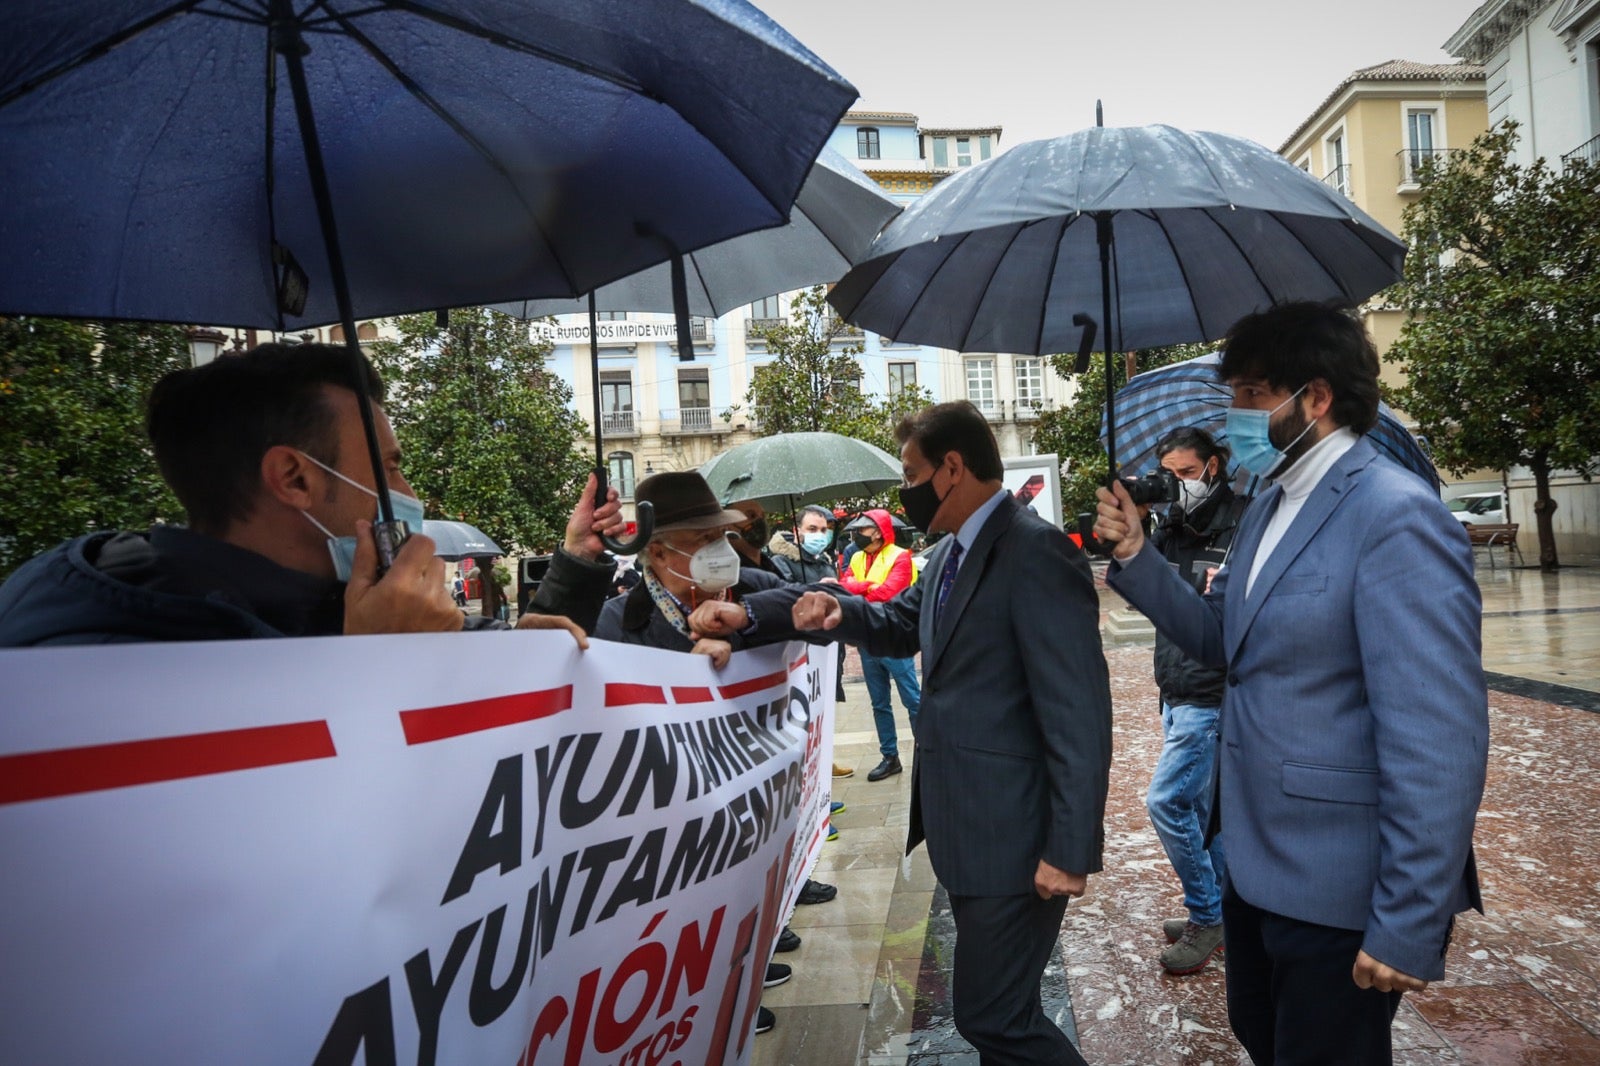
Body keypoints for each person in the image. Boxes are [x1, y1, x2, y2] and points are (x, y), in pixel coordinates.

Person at [1094, 303, 1487, 1065]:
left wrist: (1408, 917)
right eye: (1235, 392)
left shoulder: (1395, 515)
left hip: (1338, 882)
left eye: (1251, 394)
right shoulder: (1272, 498)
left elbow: (1438, 737)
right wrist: (1139, 553)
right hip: (1255, 862)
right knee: (1263, 1035)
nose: (1235, 414)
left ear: (1316, 397)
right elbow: (1223, 641)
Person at [691, 401, 1113, 1065]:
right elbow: (892, 623)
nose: (904, 490)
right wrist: (805, 610)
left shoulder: (1035, 552)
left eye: (911, 472)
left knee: (992, 1016)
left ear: (952, 468)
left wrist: (1071, 845)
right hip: (969, 827)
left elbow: (1079, 712)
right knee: (1004, 1010)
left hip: (1018, 835)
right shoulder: (950, 554)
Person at [0, 343, 589, 647]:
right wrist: (381, 669)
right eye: (388, 467)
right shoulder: (94, 656)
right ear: (294, 479)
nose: (408, 494)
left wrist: (508, 648)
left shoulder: (335, 604)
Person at [533, 470, 839, 1035]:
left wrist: (741, 631)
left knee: (744, 898)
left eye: (721, 536)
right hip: (673, 811)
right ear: (657, 550)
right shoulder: (618, 622)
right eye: (702, 542)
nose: (718, 551)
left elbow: (825, 601)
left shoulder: (748, 588)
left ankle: (742, 980)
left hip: (750, 803)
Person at [1140, 426, 1248, 975]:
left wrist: (1229, 590)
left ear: (1213, 467)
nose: (1180, 484)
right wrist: (1145, 524)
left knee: (1167, 801)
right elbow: (1145, 593)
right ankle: (1226, 910)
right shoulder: (1171, 527)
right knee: (1206, 815)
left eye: (1187, 474)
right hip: (1175, 688)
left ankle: (1207, 916)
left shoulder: (1245, 522)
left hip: (1212, 692)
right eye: (1170, 475)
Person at [839, 509, 921, 783]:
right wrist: (868, 586)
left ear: (877, 531)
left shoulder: (900, 555)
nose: (857, 534)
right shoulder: (857, 557)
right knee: (879, 703)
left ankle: (927, 751)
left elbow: (890, 592)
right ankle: (890, 757)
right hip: (867, 639)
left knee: (913, 699)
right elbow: (843, 586)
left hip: (895, 636)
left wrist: (859, 590)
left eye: (862, 529)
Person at [769, 505, 838, 584]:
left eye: (823, 530)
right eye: (812, 529)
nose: (819, 534)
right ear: (796, 531)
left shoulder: (825, 560)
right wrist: (817, 587)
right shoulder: (780, 561)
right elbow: (783, 593)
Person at [727, 498, 783, 576]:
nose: (760, 521)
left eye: (763, 516)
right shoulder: (728, 573)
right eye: (752, 516)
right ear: (727, 527)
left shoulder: (769, 565)